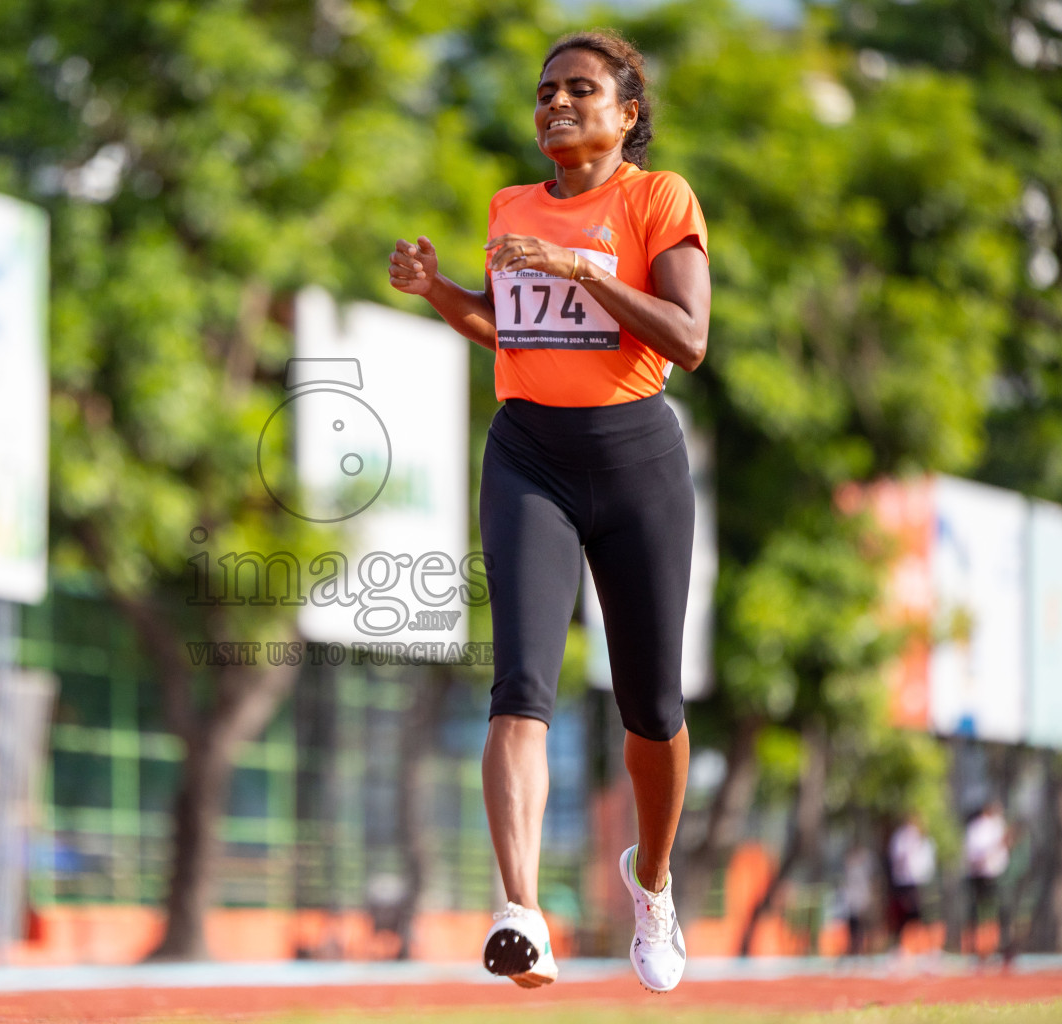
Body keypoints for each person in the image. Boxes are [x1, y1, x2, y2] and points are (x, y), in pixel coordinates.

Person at [389, 29, 709, 994]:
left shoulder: (660, 198)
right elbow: (507, 323)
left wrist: (580, 266)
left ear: (626, 115)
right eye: (545, 92)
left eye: (580, 90)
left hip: (636, 457)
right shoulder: (509, 206)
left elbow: (688, 339)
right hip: (528, 452)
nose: (557, 105)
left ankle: (650, 881)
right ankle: (520, 911)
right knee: (520, 680)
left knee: (649, 705)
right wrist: (438, 289)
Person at [963, 799, 1012, 961]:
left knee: (1000, 911)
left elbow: (1004, 848)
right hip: (980, 875)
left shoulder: (998, 826)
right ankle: (977, 948)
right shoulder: (977, 828)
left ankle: (1000, 946)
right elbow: (975, 854)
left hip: (997, 874)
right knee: (979, 912)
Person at [887, 814, 935, 952]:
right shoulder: (900, 839)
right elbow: (896, 858)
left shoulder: (924, 841)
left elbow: (927, 863)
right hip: (903, 882)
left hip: (920, 882)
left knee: (922, 914)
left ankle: (926, 946)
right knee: (903, 914)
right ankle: (900, 946)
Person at [840, 845, 878, 957]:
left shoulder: (864, 865)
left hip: (861, 897)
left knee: (863, 924)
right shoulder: (848, 867)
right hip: (852, 898)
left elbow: (869, 883)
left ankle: (864, 948)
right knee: (853, 924)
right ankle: (853, 947)